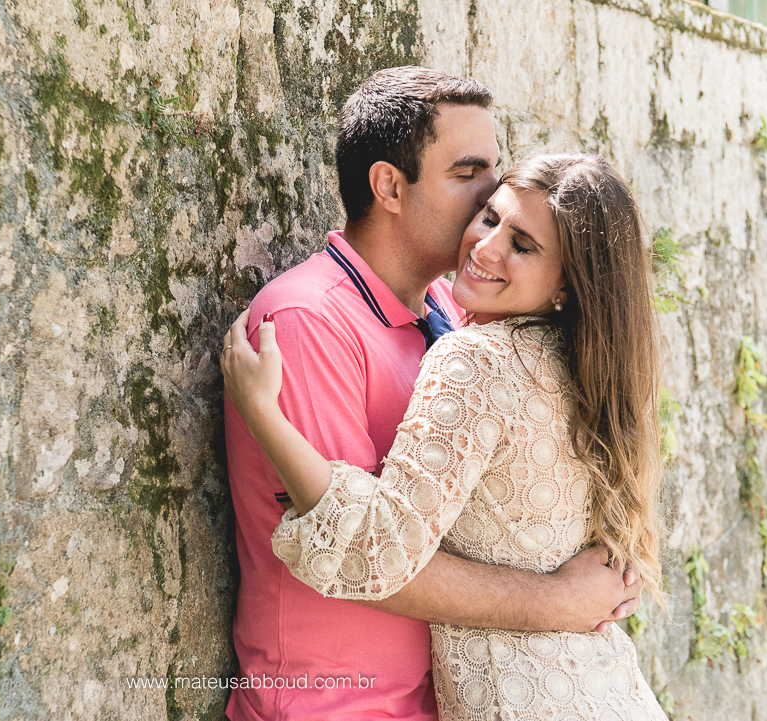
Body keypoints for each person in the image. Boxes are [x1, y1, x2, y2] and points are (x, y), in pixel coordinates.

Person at [223, 66, 641, 721]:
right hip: (335, 703)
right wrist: (560, 600)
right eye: (467, 172)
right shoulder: (308, 322)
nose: (491, 194)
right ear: (390, 185)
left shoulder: (457, 312)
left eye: (494, 169)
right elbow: (365, 546)